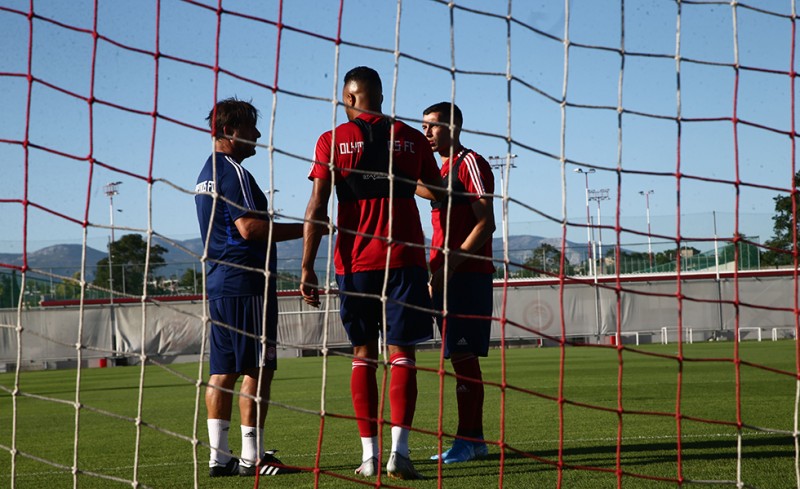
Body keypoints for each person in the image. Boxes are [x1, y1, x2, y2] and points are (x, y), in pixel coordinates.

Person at [300, 66, 444, 480]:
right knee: (403, 354)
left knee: (363, 355)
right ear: (379, 97)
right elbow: (440, 193)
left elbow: (316, 208)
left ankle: (369, 457)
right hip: (404, 260)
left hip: (355, 265)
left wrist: (308, 266)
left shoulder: (331, 141)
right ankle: (402, 452)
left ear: (350, 98)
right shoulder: (413, 139)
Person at [195, 97, 303, 477]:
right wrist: (309, 229)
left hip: (220, 284)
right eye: (251, 128)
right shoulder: (233, 172)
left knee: (222, 371)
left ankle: (219, 457)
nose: (258, 135)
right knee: (258, 367)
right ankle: (252, 457)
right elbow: (249, 228)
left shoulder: (205, 174)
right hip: (247, 284)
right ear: (229, 131)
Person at [421, 101, 496, 464]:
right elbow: (418, 186)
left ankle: (470, 441)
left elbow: (486, 223)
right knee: (459, 360)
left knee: (464, 359)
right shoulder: (442, 170)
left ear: (454, 127)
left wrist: (450, 265)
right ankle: (473, 440)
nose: (427, 133)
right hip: (445, 277)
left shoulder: (470, 163)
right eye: (424, 127)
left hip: (467, 276)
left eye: (432, 126)